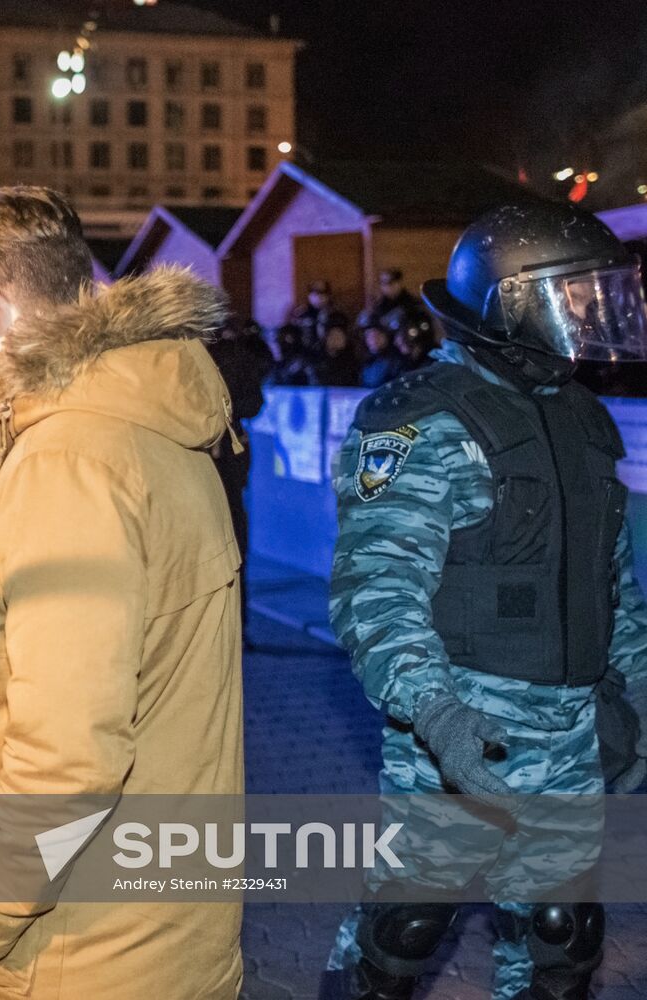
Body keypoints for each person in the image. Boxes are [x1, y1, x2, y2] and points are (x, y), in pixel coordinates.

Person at [0, 186, 245, 998]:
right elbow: (119, 635)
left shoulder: (66, 460)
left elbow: (69, 756)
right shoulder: (135, 416)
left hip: (87, 945)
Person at [324, 201, 647, 1000]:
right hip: (463, 741)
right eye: (575, 295)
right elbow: (376, 593)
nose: (592, 314)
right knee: (399, 941)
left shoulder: (585, 420)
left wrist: (636, 697)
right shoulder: (421, 421)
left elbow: (616, 586)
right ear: (512, 301)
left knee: (560, 947)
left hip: (570, 742)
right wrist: (437, 716)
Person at [207, 315, 273, 627]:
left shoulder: (232, 355)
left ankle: (236, 621)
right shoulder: (187, 354)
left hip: (226, 456)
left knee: (232, 534)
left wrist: (224, 415)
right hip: (211, 455)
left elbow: (254, 401)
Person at [288, 279, 350, 354]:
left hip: (328, 355)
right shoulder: (301, 314)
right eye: (314, 293)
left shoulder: (336, 315)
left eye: (322, 293)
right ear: (309, 295)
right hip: (305, 354)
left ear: (328, 295)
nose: (318, 297)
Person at [358, 323, 407, 389]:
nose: (373, 340)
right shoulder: (366, 360)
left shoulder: (396, 360)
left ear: (386, 337)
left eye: (377, 335)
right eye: (369, 336)